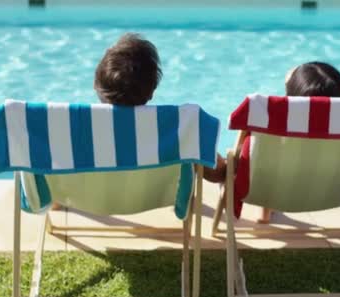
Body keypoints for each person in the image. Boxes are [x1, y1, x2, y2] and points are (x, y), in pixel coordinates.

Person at [52, 33, 225, 211]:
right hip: (153, 200)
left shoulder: (67, 127)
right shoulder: (179, 125)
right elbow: (215, 172)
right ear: (151, 91)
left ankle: (58, 200)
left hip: (85, 199)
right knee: (193, 150)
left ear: (97, 86)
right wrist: (227, 169)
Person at [257, 61, 340, 223]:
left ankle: (265, 214)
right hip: (335, 195)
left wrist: (290, 87)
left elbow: (255, 162)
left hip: (276, 193)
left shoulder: (273, 127)